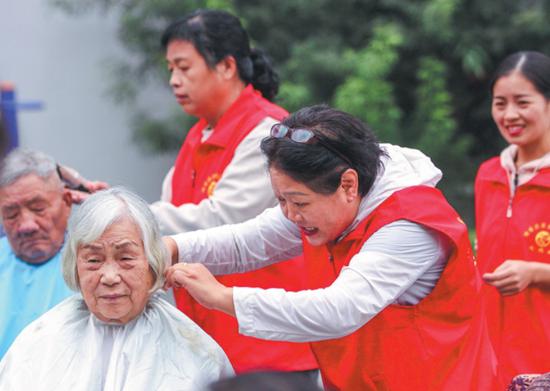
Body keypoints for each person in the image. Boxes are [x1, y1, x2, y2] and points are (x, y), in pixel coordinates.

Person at [163, 105, 496, 390]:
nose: (291, 215)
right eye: (281, 200)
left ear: (348, 184)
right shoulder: (331, 206)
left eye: (298, 202)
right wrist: (172, 248)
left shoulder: (408, 225)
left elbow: (340, 309)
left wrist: (223, 298)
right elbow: (251, 239)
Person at [147, 9, 317, 374]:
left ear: (226, 66)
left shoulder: (268, 132)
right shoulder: (197, 136)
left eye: (184, 67)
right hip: (213, 342)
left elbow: (223, 218)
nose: (174, 80)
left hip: (267, 348)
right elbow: (169, 210)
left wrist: (129, 216)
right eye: (170, 70)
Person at [0, 187, 233, 390]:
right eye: (93, 260)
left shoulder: (195, 351)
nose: (110, 277)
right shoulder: (39, 343)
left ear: (152, 263)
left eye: (125, 258)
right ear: (75, 267)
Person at [475, 51, 550, 388]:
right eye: (499, 103)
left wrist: (535, 272)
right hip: (489, 359)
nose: (510, 115)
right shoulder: (489, 174)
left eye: (522, 102)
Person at [0, 148, 74, 358]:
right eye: (11, 214)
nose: (26, 225)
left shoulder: (96, 263)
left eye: (38, 208)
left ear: (67, 202)